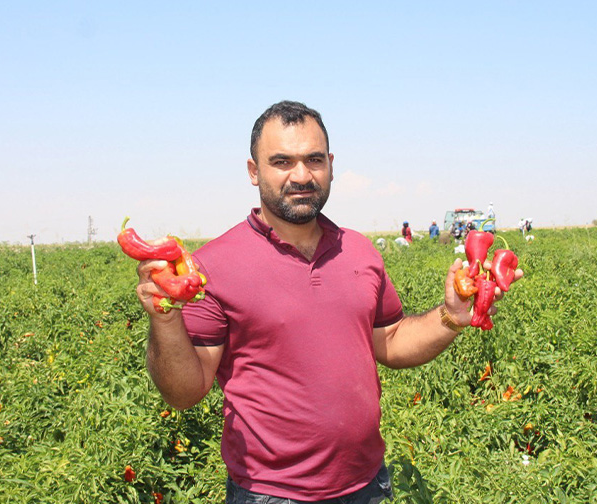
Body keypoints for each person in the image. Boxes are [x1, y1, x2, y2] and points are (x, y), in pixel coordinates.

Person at [132, 100, 522, 503]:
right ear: (254, 171)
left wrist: (451, 316)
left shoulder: (359, 251)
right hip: (269, 494)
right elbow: (183, 393)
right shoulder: (213, 265)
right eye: (282, 161)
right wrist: (164, 320)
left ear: (331, 165)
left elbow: (391, 339)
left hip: (367, 484)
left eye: (314, 159)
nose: (301, 175)